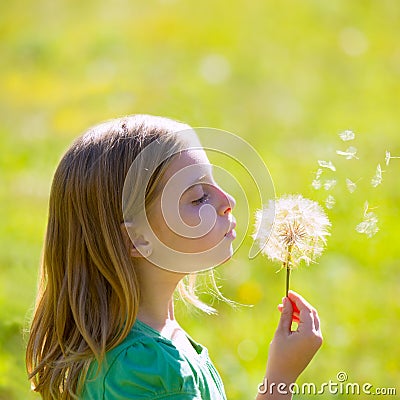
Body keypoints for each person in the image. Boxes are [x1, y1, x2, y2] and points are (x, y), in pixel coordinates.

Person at [26, 114, 322, 399]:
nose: (228, 201)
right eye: (198, 197)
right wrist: (280, 380)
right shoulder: (146, 372)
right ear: (137, 238)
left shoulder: (151, 346)